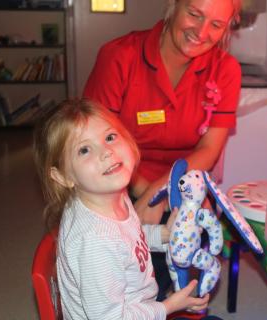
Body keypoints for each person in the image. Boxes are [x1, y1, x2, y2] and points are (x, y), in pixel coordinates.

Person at [83, 0, 243, 300]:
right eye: (194, 14)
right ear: (173, 5)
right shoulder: (119, 56)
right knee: (117, 269)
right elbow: (95, 143)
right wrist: (145, 192)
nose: (201, 32)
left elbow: (209, 149)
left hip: (183, 180)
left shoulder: (226, 70)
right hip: (117, 174)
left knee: (182, 252)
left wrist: (163, 191)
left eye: (216, 25)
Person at [33, 98, 210, 319]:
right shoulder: (95, 242)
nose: (106, 151)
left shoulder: (109, 194)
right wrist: (168, 306)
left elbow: (128, 238)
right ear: (63, 177)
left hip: (135, 304)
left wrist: (164, 234)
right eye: (84, 150)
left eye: (110, 137)